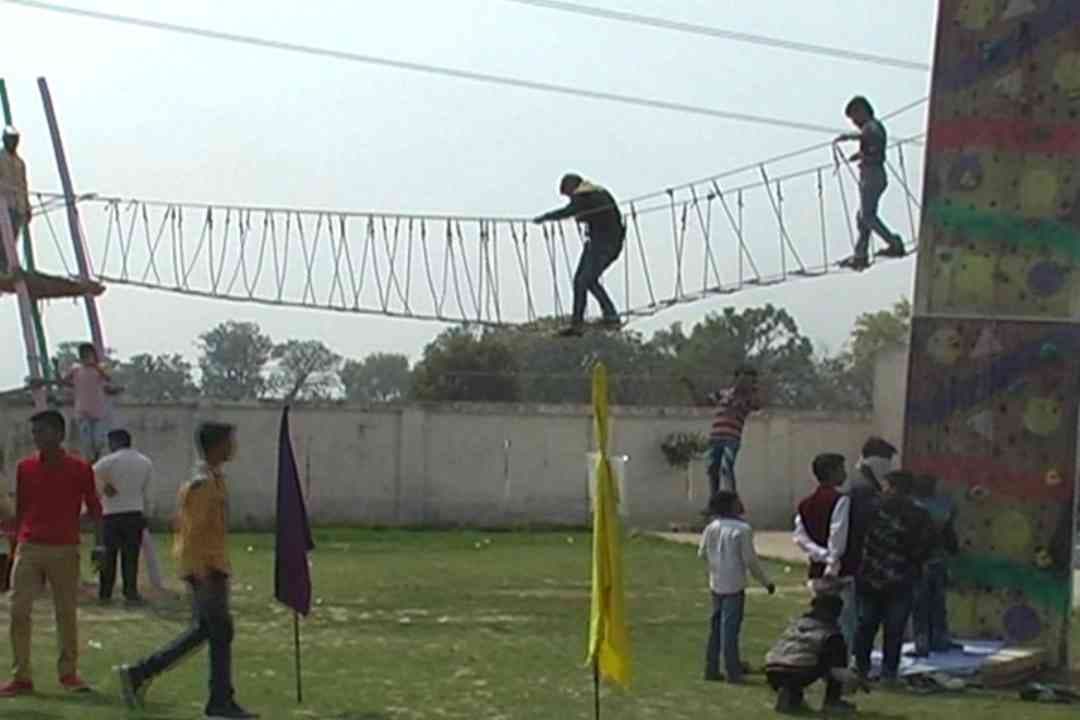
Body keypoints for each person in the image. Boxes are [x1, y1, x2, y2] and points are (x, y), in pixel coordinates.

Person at [117, 422, 258, 719]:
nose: (234, 447)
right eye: (230, 442)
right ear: (217, 446)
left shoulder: (214, 479)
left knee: (209, 630)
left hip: (213, 563)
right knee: (217, 630)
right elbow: (191, 530)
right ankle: (218, 701)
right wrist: (200, 571)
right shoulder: (202, 484)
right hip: (205, 567)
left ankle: (141, 674)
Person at [0, 410, 103, 698]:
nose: (36, 438)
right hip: (29, 545)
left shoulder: (80, 468)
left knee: (65, 613)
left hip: (65, 547)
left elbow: (95, 507)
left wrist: (100, 544)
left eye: (41, 432)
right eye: (34, 433)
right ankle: (21, 676)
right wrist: (14, 543)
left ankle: (68, 673)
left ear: (59, 434)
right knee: (19, 611)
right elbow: (21, 507)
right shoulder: (25, 467)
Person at [854, 470, 933, 685]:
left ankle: (861, 669)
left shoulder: (871, 509)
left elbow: (857, 537)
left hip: (871, 576)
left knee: (866, 626)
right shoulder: (920, 514)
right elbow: (925, 548)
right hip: (902, 579)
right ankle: (889, 672)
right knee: (894, 629)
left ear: (892, 486)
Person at [533, 174, 625, 336]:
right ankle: (590, 320)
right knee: (582, 281)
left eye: (568, 195)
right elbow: (595, 215)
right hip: (603, 243)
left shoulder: (583, 196)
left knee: (584, 280)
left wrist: (545, 217)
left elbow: (569, 211)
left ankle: (601, 319)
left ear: (571, 188)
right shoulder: (598, 193)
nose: (570, 198)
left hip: (604, 245)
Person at [698, 491, 775, 683]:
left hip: (716, 582)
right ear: (731, 506)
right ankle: (733, 671)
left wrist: (716, 563)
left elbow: (702, 553)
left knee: (716, 627)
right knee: (730, 630)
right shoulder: (742, 529)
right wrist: (766, 582)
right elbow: (750, 561)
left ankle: (711, 668)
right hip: (734, 584)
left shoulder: (711, 528)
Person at [793, 453, 856, 656]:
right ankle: (843, 660)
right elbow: (838, 535)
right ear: (831, 472)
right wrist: (832, 560)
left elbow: (800, 538)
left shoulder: (805, 504)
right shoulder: (840, 500)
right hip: (839, 572)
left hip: (816, 570)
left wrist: (819, 554)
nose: (845, 474)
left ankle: (819, 657)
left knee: (820, 619)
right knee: (845, 622)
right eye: (841, 469)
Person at [834, 96, 905, 271]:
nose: (854, 123)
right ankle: (860, 256)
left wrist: (848, 138)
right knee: (863, 217)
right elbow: (870, 145)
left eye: (854, 117)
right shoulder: (871, 128)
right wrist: (860, 155)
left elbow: (872, 144)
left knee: (867, 216)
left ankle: (894, 243)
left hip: (873, 176)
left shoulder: (872, 127)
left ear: (862, 111)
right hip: (872, 176)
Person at [765, 594, 869, 715]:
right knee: (830, 664)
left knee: (805, 659)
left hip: (772, 670)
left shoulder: (796, 625)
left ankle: (789, 694)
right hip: (798, 671)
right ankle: (832, 702)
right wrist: (857, 680)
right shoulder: (832, 635)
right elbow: (838, 672)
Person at [93, 429, 153, 606]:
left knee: (109, 556)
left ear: (114, 442)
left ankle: (105, 592)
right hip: (134, 512)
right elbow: (147, 489)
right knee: (131, 556)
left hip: (111, 514)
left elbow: (89, 474)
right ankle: (130, 591)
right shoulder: (145, 461)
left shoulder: (108, 461)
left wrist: (103, 487)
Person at [683, 366, 762, 495]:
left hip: (731, 439)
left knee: (726, 468)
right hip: (716, 438)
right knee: (712, 469)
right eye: (740, 378)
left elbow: (756, 405)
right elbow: (702, 402)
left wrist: (750, 391)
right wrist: (691, 387)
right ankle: (714, 501)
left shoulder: (749, 398)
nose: (742, 381)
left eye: (746, 379)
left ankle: (732, 499)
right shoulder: (723, 393)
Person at [910, 474, 961, 657]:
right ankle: (935, 640)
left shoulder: (913, 505)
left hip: (924, 560)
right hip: (931, 559)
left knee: (926, 603)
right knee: (932, 603)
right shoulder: (941, 505)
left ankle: (927, 641)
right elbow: (948, 532)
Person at [62, 343, 117, 462]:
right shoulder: (76, 369)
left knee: (98, 441)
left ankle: (96, 459)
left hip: (98, 411)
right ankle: (90, 463)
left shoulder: (100, 368)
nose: (86, 357)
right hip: (82, 411)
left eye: (88, 354)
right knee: (87, 443)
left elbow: (108, 378)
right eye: (83, 355)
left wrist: (96, 366)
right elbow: (64, 380)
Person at [0, 125, 30, 273]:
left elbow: (24, 185)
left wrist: (27, 206)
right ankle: (2, 267)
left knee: (12, 239)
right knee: (2, 240)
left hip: (18, 206)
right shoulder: (0, 157)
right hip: (3, 206)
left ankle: (6, 268)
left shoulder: (20, 163)